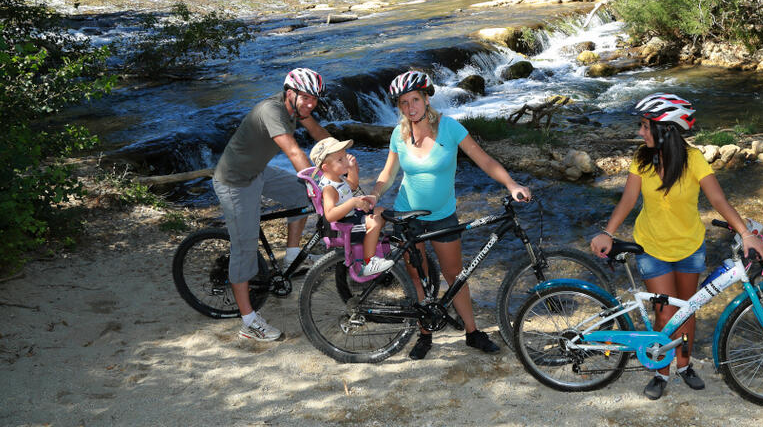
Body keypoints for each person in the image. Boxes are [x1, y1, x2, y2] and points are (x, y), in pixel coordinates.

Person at [589, 93, 763, 401]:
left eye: (646, 127)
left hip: (689, 247)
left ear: (665, 129)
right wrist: (607, 232)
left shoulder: (694, 159)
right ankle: (661, 371)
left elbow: (718, 200)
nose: (640, 132)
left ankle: (684, 365)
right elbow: (629, 200)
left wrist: (746, 233)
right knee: (664, 314)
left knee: (688, 310)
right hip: (652, 248)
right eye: (641, 126)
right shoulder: (641, 159)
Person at [370, 69, 531, 360]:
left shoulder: (450, 128)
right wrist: (375, 194)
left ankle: (472, 332)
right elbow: (389, 172)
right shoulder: (398, 134)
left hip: (443, 216)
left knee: (454, 275)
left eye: (415, 100)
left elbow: (484, 159)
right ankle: (424, 333)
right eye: (404, 103)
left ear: (427, 99)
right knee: (417, 277)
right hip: (408, 216)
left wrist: (511, 183)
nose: (410, 107)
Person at [212, 67, 332, 342]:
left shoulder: (297, 109)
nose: (310, 104)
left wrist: (340, 156)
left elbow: (318, 133)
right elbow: (293, 152)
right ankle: (249, 322)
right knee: (244, 248)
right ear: (290, 93)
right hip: (235, 181)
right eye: (306, 98)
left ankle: (291, 255)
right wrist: (320, 184)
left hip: (258, 171)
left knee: (300, 195)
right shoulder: (272, 111)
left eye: (314, 99)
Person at [310, 136, 393, 276]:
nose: (346, 160)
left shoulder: (338, 177)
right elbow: (329, 215)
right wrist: (353, 202)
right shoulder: (329, 188)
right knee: (375, 221)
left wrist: (352, 168)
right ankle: (369, 262)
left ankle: (374, 243)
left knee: (382, 211)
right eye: (340, 159)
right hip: (345, 226)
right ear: (326, 167)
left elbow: (353, 186)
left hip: (352, 216)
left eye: (345, 156)